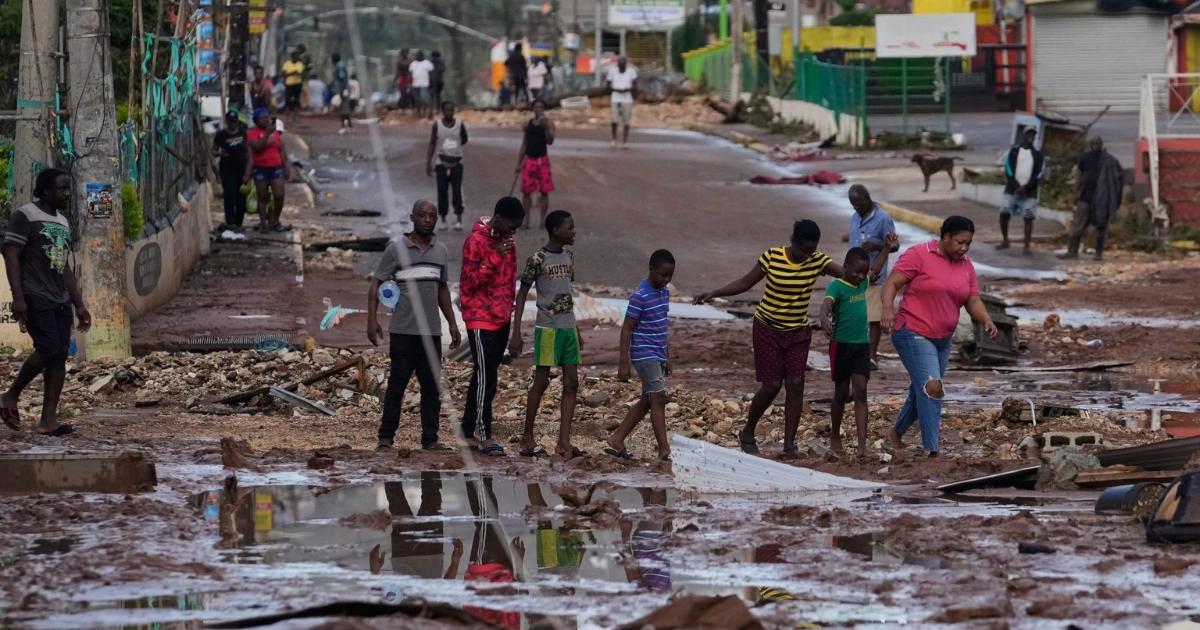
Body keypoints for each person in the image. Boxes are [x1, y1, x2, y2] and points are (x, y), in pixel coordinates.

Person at [695, 220, 843, 457]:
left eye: (811, 251)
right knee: (772, 385)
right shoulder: (772, 257)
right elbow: (745, 282)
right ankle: (748, 431)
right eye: (803, 250)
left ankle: (789, 445)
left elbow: (849, 274)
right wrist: (714, 292)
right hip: (767, 329)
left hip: (797, 332)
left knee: (796, 384)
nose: (806, 255)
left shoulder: (817, 260)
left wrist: (868, 267)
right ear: (792, 242)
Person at [881, 216, 999, 457]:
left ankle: (895, 434)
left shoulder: (965, 265)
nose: (964, 248)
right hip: (912, 330)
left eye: (968, 244)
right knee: (932, 387)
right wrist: (886, 310)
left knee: (922, 390)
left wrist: (986, 319)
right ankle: (932, 450)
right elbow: (892, 283)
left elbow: (972, 299)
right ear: (945, 237)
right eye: (959, 242)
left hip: (943, 338)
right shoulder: (919, 254)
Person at [1, 168, 92, 436]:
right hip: (35, 294)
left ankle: (48, 421)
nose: (65, 194)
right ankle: (10, 395)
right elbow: (11, 255)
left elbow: (63, 267)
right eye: (60, 189)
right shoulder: (25, 216)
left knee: (59, 355)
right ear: (44, 191)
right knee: (49, 347)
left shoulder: (63, 222)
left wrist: (79, 304)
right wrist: (18, 298)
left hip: (60, 298)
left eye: (67, 189)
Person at [368, 200, 461, 452]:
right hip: (403, 331)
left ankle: (430, 439)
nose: (427, 219)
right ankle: (386, 438)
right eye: (422, 215)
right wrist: (372, 319)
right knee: (397, 387)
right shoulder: (396, 249)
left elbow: (442, 289)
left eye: (432, 215)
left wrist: (452, 323)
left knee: (431, 388)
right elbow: (376, 285)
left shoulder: (440, 251)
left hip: (431, 332)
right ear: (412, 217)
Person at [511, 211, 582, 460]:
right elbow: (521, 295)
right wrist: (516, 332)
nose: (574, 232)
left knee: (572, 383)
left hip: (568, 328)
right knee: (541, 382)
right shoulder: (537, 260)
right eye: (570, 227)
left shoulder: (569, 257)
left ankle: (564, 442)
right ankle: (527, 438)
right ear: (555, 230)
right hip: (548, 329)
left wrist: (577, 330)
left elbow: (566, 295)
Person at [459, 197, 526, 456]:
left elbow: (510, 281)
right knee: (486, 377)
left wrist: (509, 315)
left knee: (485, 374)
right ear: (497, 218)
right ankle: (484, 435)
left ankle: (467, 430)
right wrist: (493, 258)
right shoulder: (475, 241)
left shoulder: (509, 243)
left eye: (516, 228)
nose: (513, 232)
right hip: (479, 317)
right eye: (511, 226)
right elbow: (469, 283)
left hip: (500, 318)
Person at [606, 249, 676, 462]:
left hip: (657, 353)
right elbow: (626, 329)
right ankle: (664, 449)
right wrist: (623, 362)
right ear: (651, 269)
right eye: (662, 275)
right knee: (658, 398)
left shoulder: (664, 293)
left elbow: (661, 326)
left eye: (670, 276)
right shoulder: (640, 295)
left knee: (648, 400)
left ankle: (617, 438)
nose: (666, 280)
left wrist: (667, 355)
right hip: (643, 353)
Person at [819, 248, 871, 461]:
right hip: (840, 345)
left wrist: (886, 249)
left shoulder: (864, 281)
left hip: (862, 345)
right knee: (841, 392)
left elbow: (874, 271)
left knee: (861, 391)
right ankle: (835, 436)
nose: (860, 277)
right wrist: (824, 318)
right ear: (846, 267)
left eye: (863, 273)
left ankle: (862, 446)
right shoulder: (837, 285)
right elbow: (827, 303)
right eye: (857, 272)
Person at [846, 184, 899, 368]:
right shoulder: (855, 217)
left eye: (859, 204)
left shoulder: (883, 218)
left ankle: (872, 356)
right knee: (856, 315)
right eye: (853, 205)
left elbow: (895, 245)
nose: (857, 208)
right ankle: (856, 353)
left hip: (874, 275)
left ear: (867, 199)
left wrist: (877, 246)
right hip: (854, 275)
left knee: (873, 318)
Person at [1062, 136, 1123, 261]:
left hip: (1102, 199)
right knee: (1078, 226)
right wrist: (1076, 193)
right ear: (1090, 145)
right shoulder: (1085, 158)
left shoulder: (1109, 161)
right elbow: (1079, 175)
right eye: (1093, 144)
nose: (1095, 146)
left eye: (1097, 144)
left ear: (1101, 145)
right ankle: (1072, 251)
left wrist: (1113, 199)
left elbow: (1118, 180)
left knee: (1101, 227)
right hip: (1085, 198)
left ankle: (1098, 253)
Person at [244, 107, 292, 233]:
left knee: (279, 195)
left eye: (267, 117)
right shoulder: (252, 133)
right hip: (260, 168)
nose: (266, 120)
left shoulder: (275, 132)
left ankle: (275, 220)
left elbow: (281, 149)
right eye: (262, 118)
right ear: (256, 120)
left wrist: (286, 166)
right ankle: (263, 223)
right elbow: (256, 147)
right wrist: (266, 134)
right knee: (262, 197)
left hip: (276, 167)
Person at [999, 127, 1045, 254]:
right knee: (1004, 213)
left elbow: (1039, 174)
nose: (1031, 137)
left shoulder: (1038, 155)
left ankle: (1026, 246)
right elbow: (1008, 170)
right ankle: (1005, 240)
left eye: (1033, 135)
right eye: (1028, 134)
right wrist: (1017, 187)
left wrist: (1026, 188)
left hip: (1030, 193)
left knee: (1028, 218)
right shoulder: (1012, 152)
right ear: (1023, 136)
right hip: (1011, 191)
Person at [426, 101, 469, 231]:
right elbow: (432, 143)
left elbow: (465, 139)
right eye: (446, 110)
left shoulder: (460, 125)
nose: (449, 112)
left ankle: (458, 219)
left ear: (454, 111)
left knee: (457, 191)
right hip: (441, 163)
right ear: (442, 111)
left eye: (451, 110)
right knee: (442, 191)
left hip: (457, 163)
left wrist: (455, 148)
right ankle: (443, 219)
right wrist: (428, 162)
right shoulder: (437, 125)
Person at [515, 99, 555, 229]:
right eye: (536, 107)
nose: (539, 109)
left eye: (541, 107)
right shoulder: (528, 124)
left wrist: (545, 128)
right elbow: (524, 144)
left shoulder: (549, 123)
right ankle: (526, 221)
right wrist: (518, 163)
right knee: (526, 192)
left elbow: (550, 141)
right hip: (529, 160)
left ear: (544, 109)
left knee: (544, 191)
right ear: (533, 109)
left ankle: (542, 221)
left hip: (542, 160)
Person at [212, 110, 249, 230]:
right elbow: (213, 151)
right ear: (227, 122)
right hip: (227, 170)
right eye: (231, 122)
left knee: (241, 197)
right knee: (230, 194)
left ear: (237, 121)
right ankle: (230, 221)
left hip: (241, 169)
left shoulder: (243, 133)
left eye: (235, 121)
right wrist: (221, 153)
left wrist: (249, 171)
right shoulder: (221, 135)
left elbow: (249, 151)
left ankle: (239, 222)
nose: (233, 124)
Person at [606, 57, 638, 149]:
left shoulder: (631, 72)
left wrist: (629, 90)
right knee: (614, 120)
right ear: (617, 65)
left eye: (623, 66)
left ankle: (625, 141)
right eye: (620, 66)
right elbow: (607, 86)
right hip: (615, 97)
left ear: (626, 65)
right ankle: (614, 139)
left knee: (626, 121)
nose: (621, 68)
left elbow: (635, 84)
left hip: (627, 98)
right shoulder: (612, 71)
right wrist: (615, 89)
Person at [409, 51, 435, 119]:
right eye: (417, 55)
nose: (418, 57)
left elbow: (431, 74)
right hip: (415, 84)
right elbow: (410, 74)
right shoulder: (413, 64)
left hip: (425, 83)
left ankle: (425, 111)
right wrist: (409, 83)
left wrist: (432, 83)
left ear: (422, 56)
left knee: (424, 98)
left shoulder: (427, 63)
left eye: (419, 55)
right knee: (417, 99)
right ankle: (418, 113)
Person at [281, 50, 305, 123]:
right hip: (289, 83)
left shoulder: (300, 64)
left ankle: (294, 117)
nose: (296, 58)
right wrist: (292, 73)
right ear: (292, 57)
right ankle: (287, 117)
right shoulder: (287, 64)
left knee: (296, 100)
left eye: (297, 56)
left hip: (297, 83)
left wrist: (291, 73)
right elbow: (284, 74)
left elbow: (300, 73)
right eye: (295, 56)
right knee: (288, 100)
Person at [331, 53, 351, 130]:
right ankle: (347, 123)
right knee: (344, 105)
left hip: (343, 89)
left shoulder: (339, 66)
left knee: (343, 106)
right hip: (344, 88)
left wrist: (342, 89)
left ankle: (345, 123)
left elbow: (342, 78)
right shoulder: (340, 65)